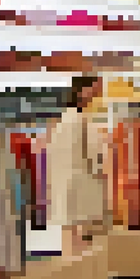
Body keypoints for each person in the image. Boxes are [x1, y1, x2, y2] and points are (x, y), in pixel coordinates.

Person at [47, 75, 108, 255]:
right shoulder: (82, 120)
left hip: (65, 181)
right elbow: (94, 153)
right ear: (82, 91)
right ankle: (80, 261)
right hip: (82, 180)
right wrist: (101, 170)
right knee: (82, 228)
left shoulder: (62, 121)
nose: (97, 95)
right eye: (94, 90)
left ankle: (71, 260)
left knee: (69, 227)